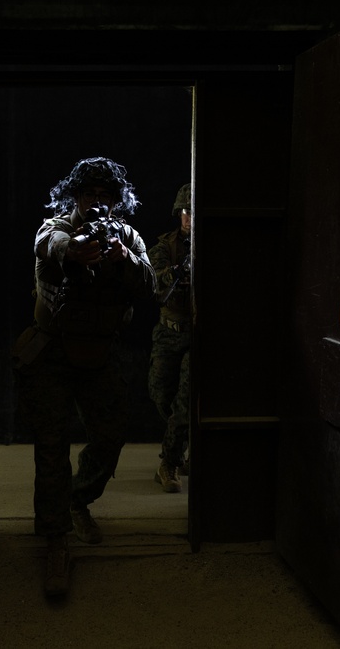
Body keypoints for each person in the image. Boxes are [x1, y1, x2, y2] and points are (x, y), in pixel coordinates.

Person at [11, 156, 157, 597]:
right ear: (74, 196)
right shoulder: (56, 226)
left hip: (100, 353)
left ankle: (76, 499)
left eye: (105, 195)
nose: (97, 201)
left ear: (117, 201)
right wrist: (73, 250)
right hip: (52, 352)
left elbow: (150, 283)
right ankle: (56, 539)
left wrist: (124, 258)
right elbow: (49, 242)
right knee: (51, 447)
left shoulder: (127, 236)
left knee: (111, 436)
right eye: (89, 193)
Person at [148, 183, 192, 493]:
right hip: (168, 332)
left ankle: (170, 461)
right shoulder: (165, 247)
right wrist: (175, 273)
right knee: (160, 394)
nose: (189, 218)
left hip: (196, 335)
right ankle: (181, 441)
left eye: (194, 212)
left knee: (184, 402)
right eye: (186, 211)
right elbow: (155, 285)